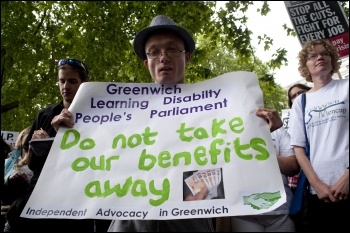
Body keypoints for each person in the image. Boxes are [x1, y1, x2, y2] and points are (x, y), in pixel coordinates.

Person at [103, 15, 283, 232]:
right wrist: (70, 134)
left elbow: (228, 168)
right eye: (154, 52)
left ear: (186, 57)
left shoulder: (219, 109)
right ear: (146, 62)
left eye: (172, 49)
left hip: (190, 216)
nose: (164, 57)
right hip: (133, 218)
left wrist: (259, 132)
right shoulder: (121, 112)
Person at [5, 58, 98, 232]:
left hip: (74, 208)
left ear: (84, 83)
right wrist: (38, 145)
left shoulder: (98, 116)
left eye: (72, 81)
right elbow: (31, 163)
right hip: (35, 205)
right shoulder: (45, 115)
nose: (66, 86)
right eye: (62, 81)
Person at [288, 39, 349, 232]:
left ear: (332, 60)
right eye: (312, 56)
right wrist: (316, 184)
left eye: (325, 53)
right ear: (305, 65)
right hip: (320, 192)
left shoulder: (346, 87)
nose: (319, 57)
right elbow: (298, 148)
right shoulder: (301, 102)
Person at [230, 126, 299, 232]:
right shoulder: (228, 130)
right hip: (243, 211)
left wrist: (263, 155)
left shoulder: (278, 131)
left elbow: (293, 167)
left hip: (280, 211)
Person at [286, 83, 311, 232]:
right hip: (302, 184)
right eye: (293, 97)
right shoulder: (290, 126)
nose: (297, 97)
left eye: (301, 92)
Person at [2, 127, 32, 232]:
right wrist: (9, 181)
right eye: (28, 134)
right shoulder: (7, 162)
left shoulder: (41, 163)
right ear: (21, 138)